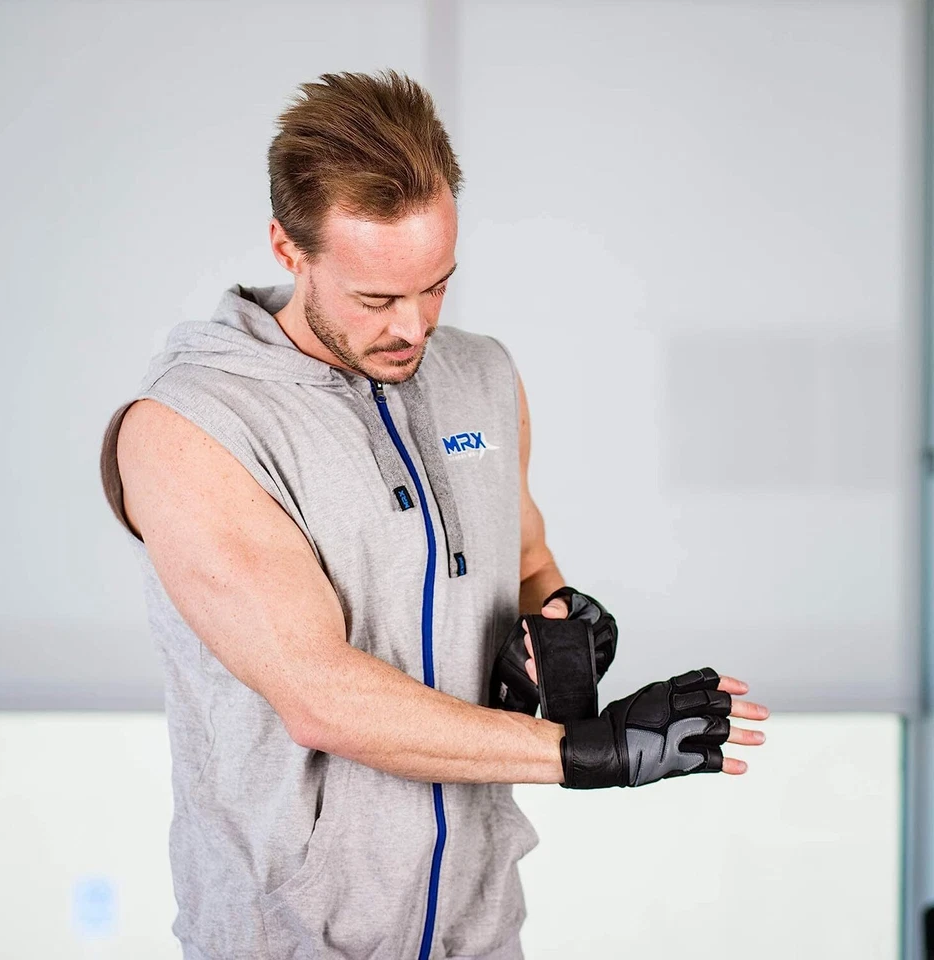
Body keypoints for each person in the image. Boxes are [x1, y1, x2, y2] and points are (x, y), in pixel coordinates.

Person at [99, 69, 769, 960]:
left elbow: (526, 556)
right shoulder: (192, 428)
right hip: (288, 940)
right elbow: (319, 695)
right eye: (376, 299)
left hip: (477, 929)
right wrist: (585, 753)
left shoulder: (482, 375)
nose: (414, 328)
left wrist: (557, 629)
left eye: (437, 286)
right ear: (287, 248)